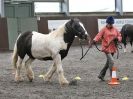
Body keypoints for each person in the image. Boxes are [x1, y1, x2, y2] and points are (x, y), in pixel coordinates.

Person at [92, 16, 122, 81]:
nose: (110, 25)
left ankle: (101, 75)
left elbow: (119, 36)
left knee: (108, 63)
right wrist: (95, 40)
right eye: (109, 23)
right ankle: (113, 77)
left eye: (111, 24)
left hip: (113, 48)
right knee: (112, 61)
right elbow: (98, 35)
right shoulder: (103, 29)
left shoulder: (115, 29)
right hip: (106, 48)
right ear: (107, 23)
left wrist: (118, 38)